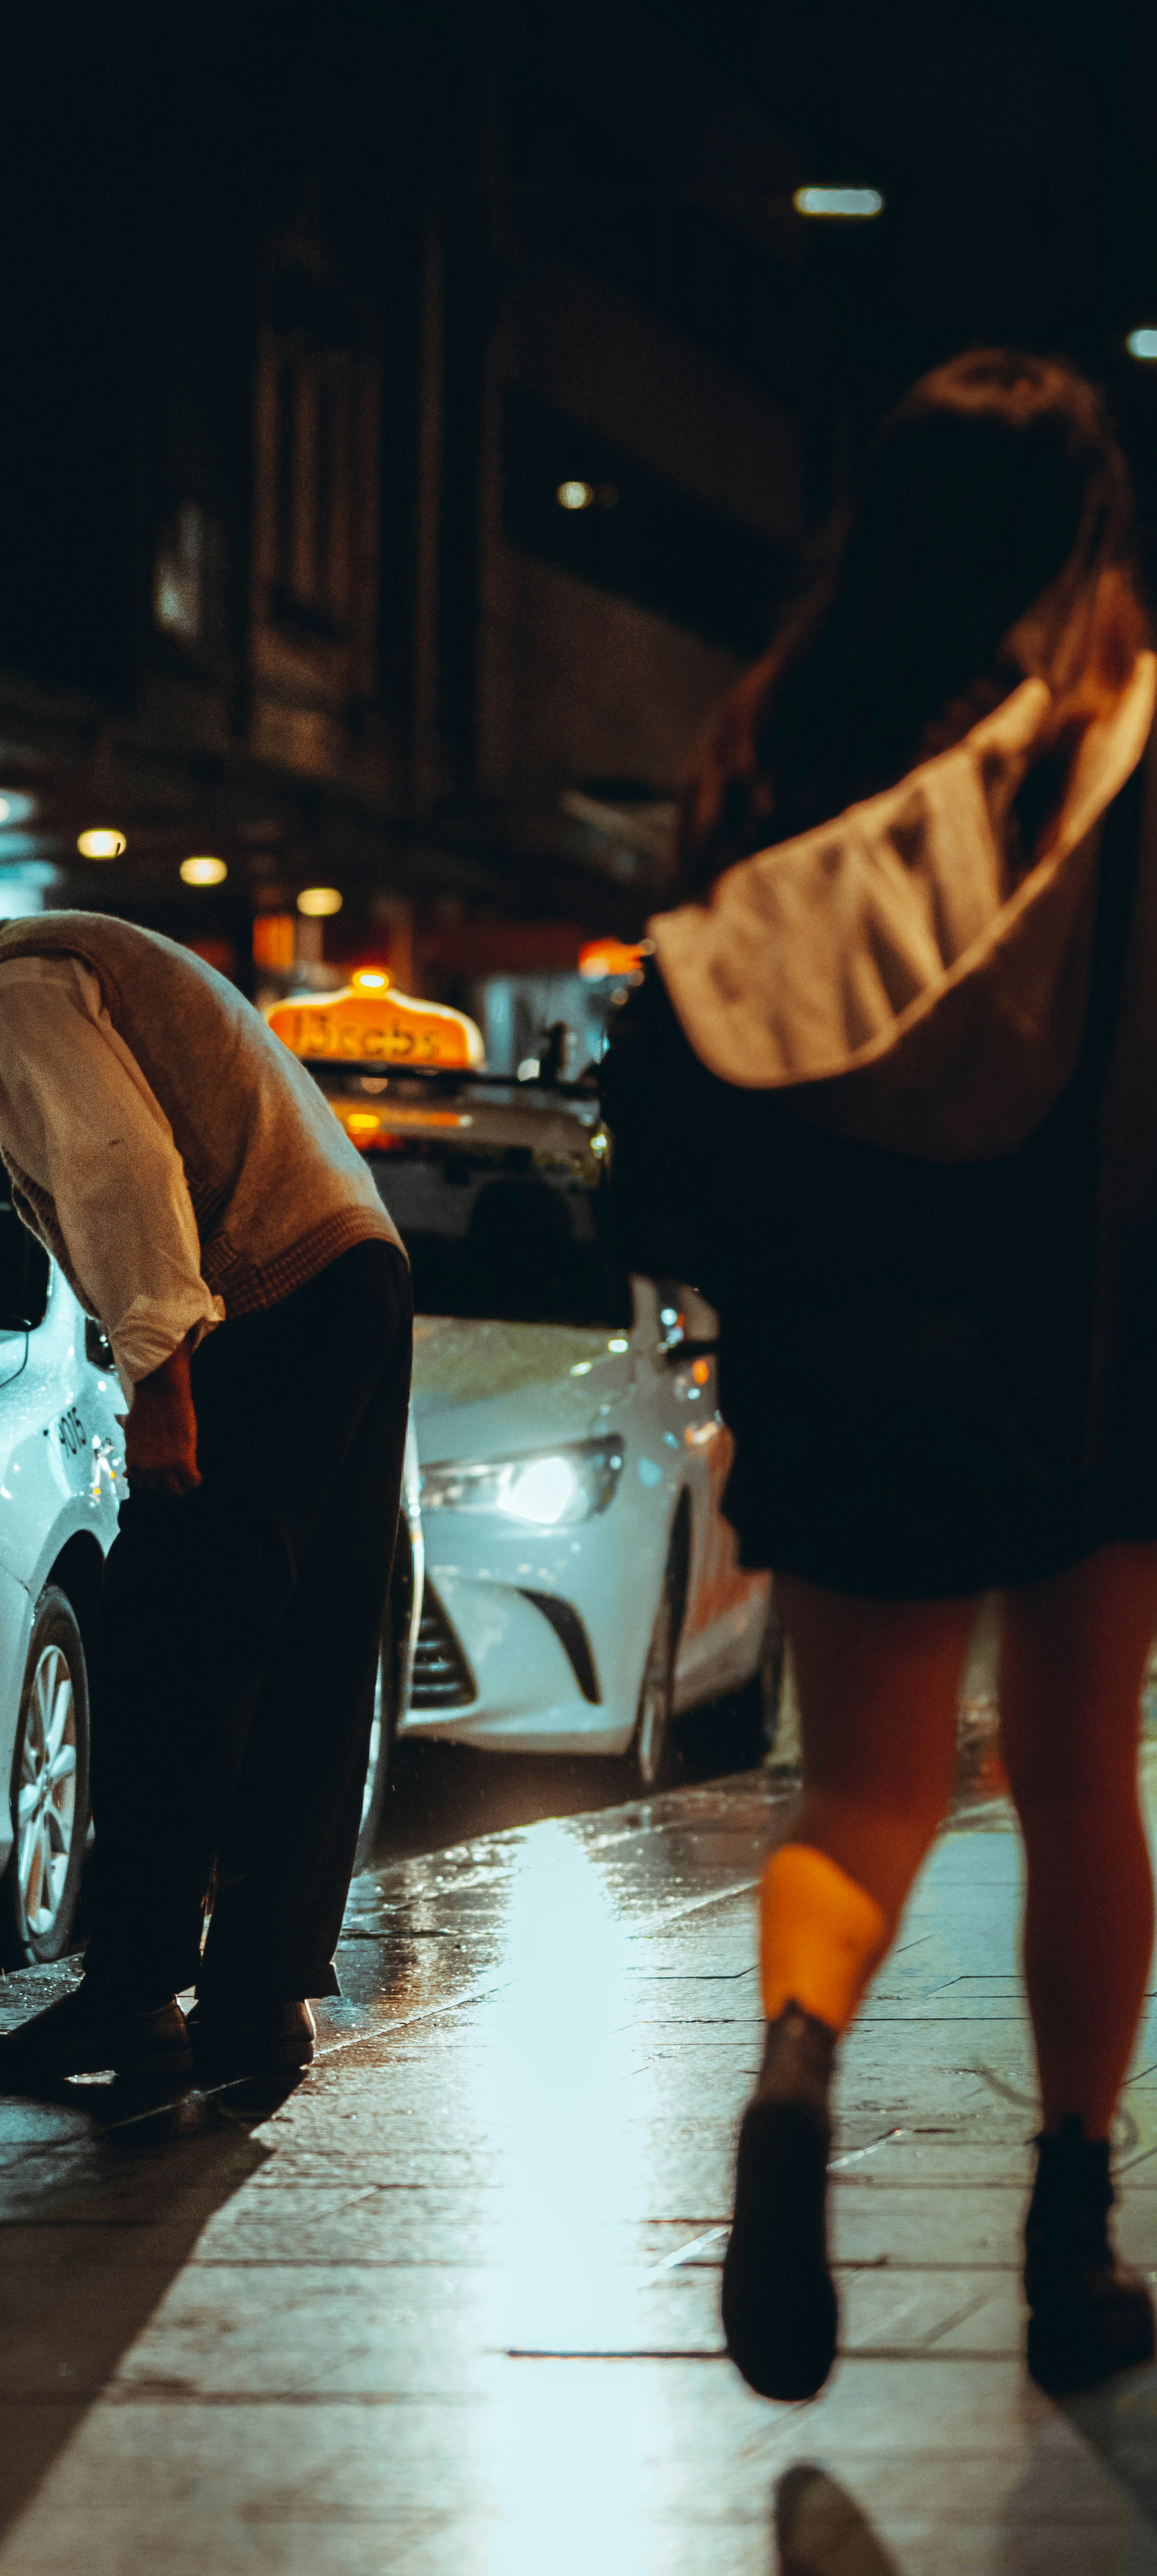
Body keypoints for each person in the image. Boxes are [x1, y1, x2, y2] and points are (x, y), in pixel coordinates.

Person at [601, 347, 1156, 2403]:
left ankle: (792, 2080)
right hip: (1095, 1347)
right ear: (1084, 530)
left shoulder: (773, 752)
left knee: (859, 1794)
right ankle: (1070, 2239)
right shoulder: (1121, 744)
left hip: (854, 1350)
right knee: (1082, 1776)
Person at [0, 866, 413, 2080]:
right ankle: (253, 1998)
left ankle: (135, 1990)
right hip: (347, 1275)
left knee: (168, 1644)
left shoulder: (11, 990)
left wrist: (161, 1385)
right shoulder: (56, 966)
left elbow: (115, 1166)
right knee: (300, 1655)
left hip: (272, 1301)